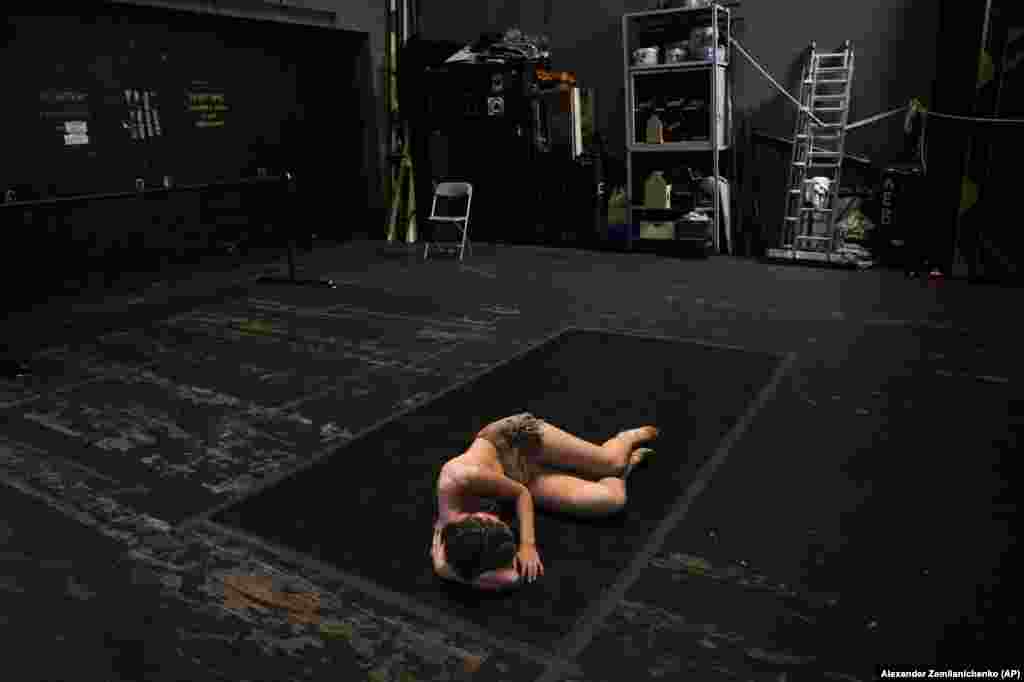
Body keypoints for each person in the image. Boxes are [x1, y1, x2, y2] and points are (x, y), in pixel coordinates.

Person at [431, 413, 658, 591]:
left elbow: (520, 494)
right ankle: (627, 468)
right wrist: (469, 577)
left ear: (482, 517)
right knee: (611, 500)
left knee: (612, 463)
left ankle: (624, 440)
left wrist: (528, 545)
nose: (503, 520)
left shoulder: (461, 477)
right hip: (515, 478)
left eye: (499, 523)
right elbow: (511, 578)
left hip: (516, 442)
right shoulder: (454, 549)